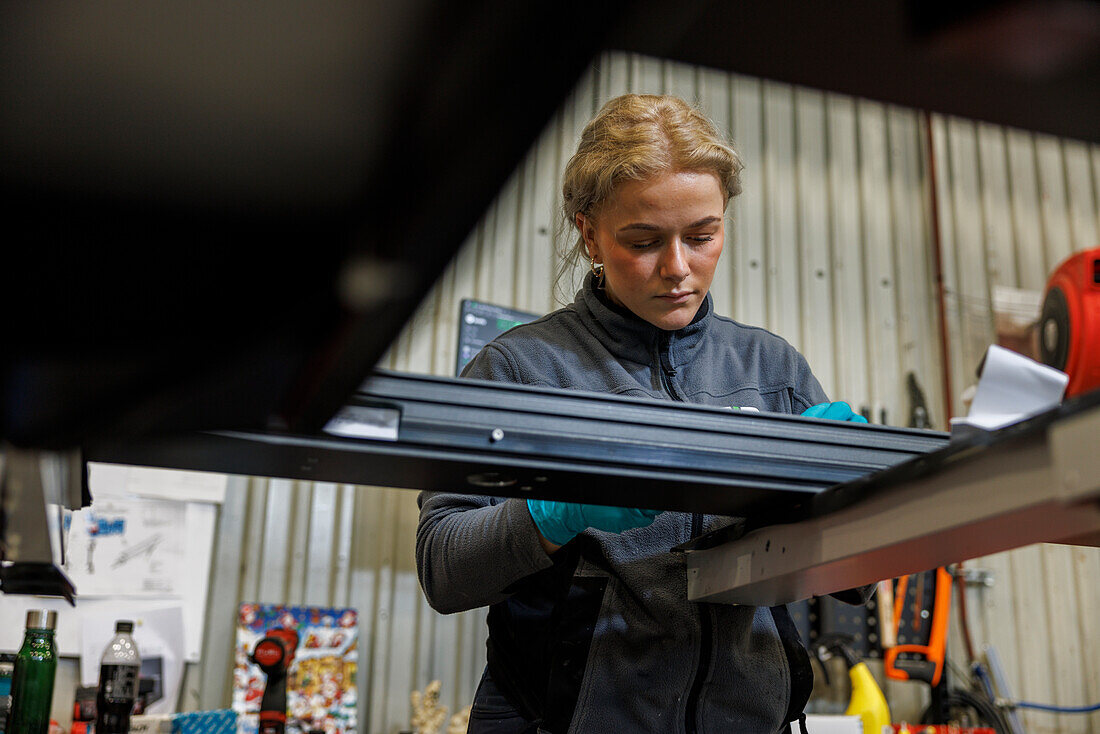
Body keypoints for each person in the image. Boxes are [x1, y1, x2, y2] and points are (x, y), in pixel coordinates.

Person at [416, 93, 869, 734]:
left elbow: (851, 586)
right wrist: (556, 511)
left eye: (703, 236)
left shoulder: (771, 369)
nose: (678, 268)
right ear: (588, 231)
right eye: (644, 241)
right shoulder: (520, 370)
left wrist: (855, 499)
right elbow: (444, 568)